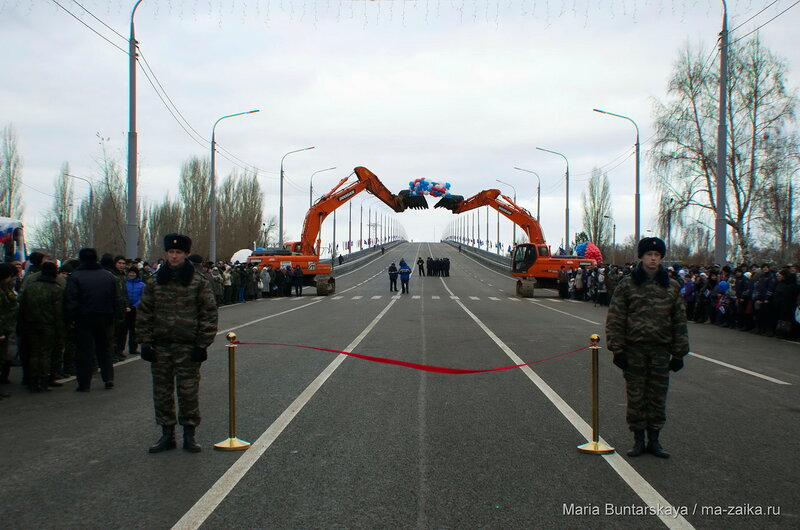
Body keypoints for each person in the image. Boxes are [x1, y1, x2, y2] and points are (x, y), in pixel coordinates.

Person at [605, 237, 689, 459]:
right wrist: (617, 349)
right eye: (649, 255)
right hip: (635, 351)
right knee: (636, 396)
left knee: (658, 396)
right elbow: (616, 318)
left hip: (661, 351)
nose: (653, 259)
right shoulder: (627, 285)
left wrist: (679, 353)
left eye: (657, 255)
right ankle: (638, 439)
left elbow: (679, 321)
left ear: (661, 258)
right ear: (641, 257)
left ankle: (655, 440)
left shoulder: (671, 286)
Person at [137, 233, 218, 453]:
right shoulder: (155, 281)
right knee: (162, 392)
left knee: (188, 391)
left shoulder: (197, 282)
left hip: (187, 346)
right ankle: (167, 434)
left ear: (186, 254)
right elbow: (144, 313)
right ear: (166, 253)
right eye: (171, 252)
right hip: (161, 346)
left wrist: (202, 344)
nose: (174, 256)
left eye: (179, 252)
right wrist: (145, 343)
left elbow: (209, 314)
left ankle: (189, 435)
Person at [64, 248, 119, 392]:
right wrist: (114, 316)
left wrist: (71, 319)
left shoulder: (75, 276)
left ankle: (84, 383)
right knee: (104, 348)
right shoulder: (108, 276)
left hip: (83, 318)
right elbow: (116, 299)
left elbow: (71, 300)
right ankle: (108, 378)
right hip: (105, 317)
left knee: (84, 351)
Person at [18, 262, 65, 392]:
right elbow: (59, 312)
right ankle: (44, 381)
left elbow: (22, 308)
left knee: (33, 352)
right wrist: (61, 331)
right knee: (45, 353)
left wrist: (21, 326)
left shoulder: (30, 287)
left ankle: (32, 381)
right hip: (49, 326)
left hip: (30, 325)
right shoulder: (56, 289)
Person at [0, 263, 18, 397]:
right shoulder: (2, 291)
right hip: (3, 327)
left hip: (6, 327)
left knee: (4, 356)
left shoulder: (5, 288)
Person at [125, 267, 145, 356]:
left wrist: (135, 305)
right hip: (125, 308)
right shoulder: (124, 283)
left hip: (135, 309)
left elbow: (143, 297)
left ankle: (133, 348)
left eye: (134, 273)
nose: (132, 274)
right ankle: (119, 349)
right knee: (122, 330)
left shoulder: (142, 285)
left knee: (133, 330)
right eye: (130, 272)